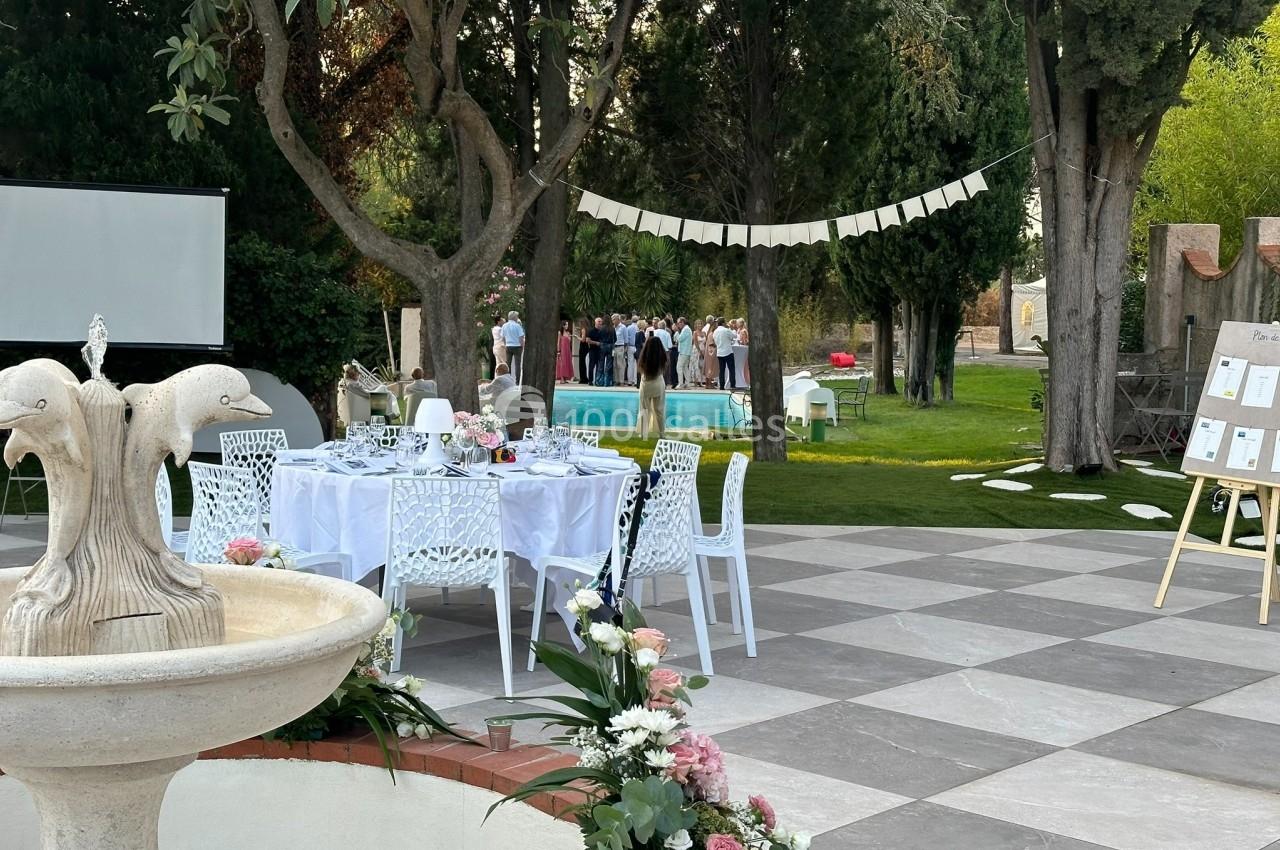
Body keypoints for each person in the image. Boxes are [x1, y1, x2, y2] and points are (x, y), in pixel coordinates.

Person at [637, 335, 668, 439]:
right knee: (659, 410)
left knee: (644, 409)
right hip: (658, 384)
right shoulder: (662, 357)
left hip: (646, 385)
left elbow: (642, 371)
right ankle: (662, 434)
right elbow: (662, 371)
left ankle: (643, 434)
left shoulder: (644, 358)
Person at [501, 311, 525, 383]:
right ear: (515, 317)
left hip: (508, 346)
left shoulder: (504, 326)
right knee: (517, 365)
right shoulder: (517, 326)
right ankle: (517, 381)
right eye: (517, 316)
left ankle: (508, 381)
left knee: (508, 364)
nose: (517, 318)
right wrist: (522, 346)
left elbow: (503, 337)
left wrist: (505, 344)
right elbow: (521, 337)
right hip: (517, 346)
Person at [713, 317, 737, 390]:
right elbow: (734, 336)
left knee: (721, 370)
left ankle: (722, 386)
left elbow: (715, 341)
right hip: (728, 351)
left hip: (720, 352)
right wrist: (732, 329)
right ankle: (732, 385)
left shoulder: (715, 331)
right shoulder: (726, 330)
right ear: (723, 323)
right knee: (731, 369)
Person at [675, 317, 695, 389]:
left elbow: (679, 339)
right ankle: (687, 384)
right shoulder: (686, 329)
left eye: (679, 323)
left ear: (682, 322)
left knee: (679, 367)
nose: (678, 325)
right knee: (685, 368)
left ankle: (681, 384)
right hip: (686, 351)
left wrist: (677, 332)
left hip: (684, 352)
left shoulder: (686, 329)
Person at [652, 320, 674, 386]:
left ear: (658, 325)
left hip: (655, 352)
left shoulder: (654, 332)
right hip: (665, 352)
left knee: (655, 368)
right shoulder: (667, 334)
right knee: (665, 369)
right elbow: (670, 346)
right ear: (665, 326)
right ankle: (664, 383)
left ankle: (655, 382)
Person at [611, 313, 628, 386]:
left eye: (614, 319)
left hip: (620, 347)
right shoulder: (612, 328)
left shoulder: (623, 327)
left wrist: (625, 349)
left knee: (620, 364)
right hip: (613, 347)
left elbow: (626, 339)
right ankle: (616, 380)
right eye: (612, 320)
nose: (613, 321)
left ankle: (621, 381)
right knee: (614, 365)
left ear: (618, 319)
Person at [702, 314, 718, 387]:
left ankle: (708, 383)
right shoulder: (712, 332)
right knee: (711, 366)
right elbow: (712, 342)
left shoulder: (709, 331)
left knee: (709, 366)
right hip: (711, 350)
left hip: (709, 350)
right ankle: (708, 383)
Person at [576, 319, 591, 384]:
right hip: (587, 347)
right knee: (586, 362)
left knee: (582, 362)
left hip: (583, 346)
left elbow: (583, 340)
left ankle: (583, 378)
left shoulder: (583, 329)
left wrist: (577, 337)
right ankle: (586, 377)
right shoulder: (589, 329)